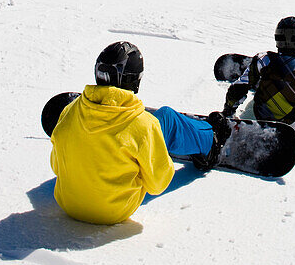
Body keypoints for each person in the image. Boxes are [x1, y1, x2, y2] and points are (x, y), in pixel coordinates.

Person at [50, 42, 231, 225]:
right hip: (113, 211)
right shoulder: (144, 125)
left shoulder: (70, 112)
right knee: (167, 119)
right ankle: (210, 141)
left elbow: (56, 167)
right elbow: (157, 184)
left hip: (68, 204)